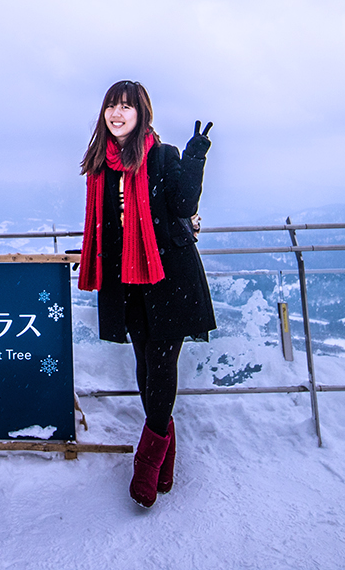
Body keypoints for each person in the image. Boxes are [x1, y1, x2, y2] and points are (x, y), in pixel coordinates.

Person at [77, 80, 216, 508]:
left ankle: (148, 462)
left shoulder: (161, 155)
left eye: (126, 107)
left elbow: (180, 204)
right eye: (111, 107)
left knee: (161, 364)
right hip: (127, 278)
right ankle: (166, 450)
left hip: (169, 274)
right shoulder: (102, 164)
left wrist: (194, 156)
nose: (117, 114)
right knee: (142, 364)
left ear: (142, 113)